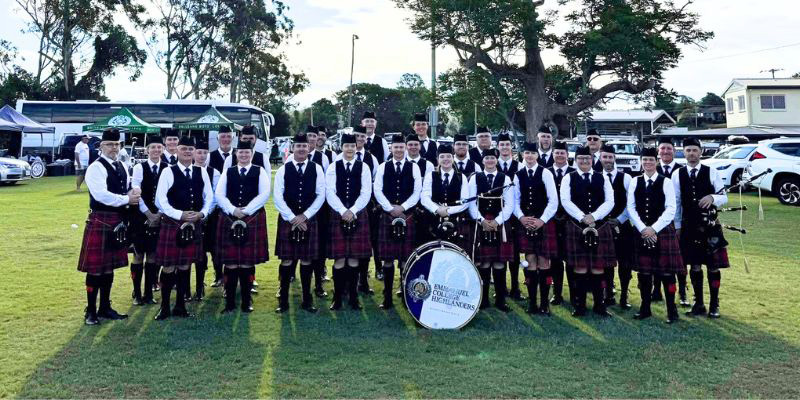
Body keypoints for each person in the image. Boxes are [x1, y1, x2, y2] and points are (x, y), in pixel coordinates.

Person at [77, 128, 138, 325]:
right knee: (96, 269)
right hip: (101, 220)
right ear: (101, 146)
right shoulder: (95, 167)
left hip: (117, 221)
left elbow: (127, 187)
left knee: (109, 267)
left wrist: (134, 191)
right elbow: (101, 195)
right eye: (110, 144)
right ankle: (90, 311)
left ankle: (105, 307)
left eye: (117, 144)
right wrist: (127, 199)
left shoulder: (122, 165)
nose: (114, 148)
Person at [152, 136, 214, 320]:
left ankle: (180, 305)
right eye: (184, 148)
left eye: (190, 149)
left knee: (185, 265)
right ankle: (164, 307)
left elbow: (209, 197)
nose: (187, 152)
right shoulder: (168, 171)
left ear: (194, 151)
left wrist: (202, 213)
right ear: (177, 150)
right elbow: (160, 200)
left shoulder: (201, 172)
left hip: (194, 223)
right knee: (169, 266)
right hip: (173, 224)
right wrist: (180, 215)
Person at [673, 137, 730, 319]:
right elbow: (676, 202)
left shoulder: (711, 171)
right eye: (688, 150)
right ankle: (699, 304)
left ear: (701, 151)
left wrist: (713, 198)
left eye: (695, 150)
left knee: (713, 266)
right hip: (689, 226)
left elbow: (724, 196)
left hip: (710, 226)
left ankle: (714, 305)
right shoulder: (677, 174)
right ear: (684, 152)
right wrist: (678, 226)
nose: (691, 153)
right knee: (695, 265)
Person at [627, 146, 684, 323]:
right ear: (641, 162)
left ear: (657, 162)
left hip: (663, 231)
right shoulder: (635, 181)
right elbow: (631, 208)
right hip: (642, 232)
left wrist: (654, 229)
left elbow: (671, 208)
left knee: (667, 274)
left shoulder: (666, 182)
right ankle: (645, 308)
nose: (647, 163)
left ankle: (672, 310)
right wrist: (643, 228)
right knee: (644, 273)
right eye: (644, 160)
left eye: (651, 160)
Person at [214, 140, 271, 313]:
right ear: (236, 154)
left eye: (247, 152)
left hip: (252, 219)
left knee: (247, 263)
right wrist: (233, 209)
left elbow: (264, 193)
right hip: (230, 219)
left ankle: (246, 302)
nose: (244, 155)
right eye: (241, 152)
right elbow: (219, 194)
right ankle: (230, 303)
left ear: (251, 154)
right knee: (230, 263)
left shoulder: (260, 171)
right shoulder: (228, 171)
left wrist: (247, 210)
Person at [560, 146, 616, 317]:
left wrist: (595, 216)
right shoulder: (568, 177)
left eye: (587, 158)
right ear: (575, 160)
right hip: (577, 226)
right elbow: (565, 200)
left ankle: (600, 305)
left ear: (592, 160)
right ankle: (580, 306)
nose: (584, 161)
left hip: (599, 226)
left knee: (599, 267)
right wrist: (582, 217)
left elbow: (610, 201)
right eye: (581, 158)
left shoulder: (602, 177)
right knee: (580, 267)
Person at [273, 133, 326, 313]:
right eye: (298, 146)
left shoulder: (317, 168)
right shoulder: (283, 169)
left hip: (308, 219)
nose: (302, 149)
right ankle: (283, 300)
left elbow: (321, 195)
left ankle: (307, 299)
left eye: (304, 146)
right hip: (288, 220)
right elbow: (278, 196)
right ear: (292, 148)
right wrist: (292, 218)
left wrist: (305, 216)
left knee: (307, 260)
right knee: (287, 260)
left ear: (308, 148)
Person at [373, 134, 422, 309]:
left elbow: (417, 191)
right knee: (387, 260)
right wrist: (390, 208)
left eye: (402, 147)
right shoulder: (383, 167)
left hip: (407, 215)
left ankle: (405, 295)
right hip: (388, 216)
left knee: (405, 259)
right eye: (396, 147)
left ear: (405, 148)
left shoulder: (414, 167)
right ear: (391, 148)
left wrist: (403, 207)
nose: (399, 150)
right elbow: (377, 190)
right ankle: (387, 297)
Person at [325, 134, 373, 310]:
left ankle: (354, 297)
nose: (350, 149)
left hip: (358, 215)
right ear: (342, 147)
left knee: (353, 258)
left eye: (352, 146)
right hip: (338, 214)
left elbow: (366, 192)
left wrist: (352, 211)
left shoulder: (364, 167)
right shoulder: (333, 166)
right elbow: (329, 191)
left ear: (356, 147)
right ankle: (337, 298)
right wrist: (342, 210)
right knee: (339, 259)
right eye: (347, 146)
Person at [513, 142, 559, 315]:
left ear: (537, 155)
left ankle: (544, 304)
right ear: (523, 155)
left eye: (533, 153)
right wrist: (521, 218)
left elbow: (553, 201)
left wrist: (542, 220)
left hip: (543, 223)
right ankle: (532, 303)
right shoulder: (518, 175)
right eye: (527, 153)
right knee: (530, 261)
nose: (530, 156)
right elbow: (515, 200)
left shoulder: (546, 173)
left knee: (544, 262)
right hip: (526, 223)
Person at [468, 148, 515, 312]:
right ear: (483, 160)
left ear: (497, 160)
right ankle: (483, 299)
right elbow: (471, 203)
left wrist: (497, 221)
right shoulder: (475, 178)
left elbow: (509, 204)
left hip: (499, 223)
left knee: (500, 262)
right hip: (481, 223)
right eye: (487, 158)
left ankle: (501, 300)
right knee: (484, 262)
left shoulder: (505, 178)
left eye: (492, 158)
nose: (490, 161)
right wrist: (481, 220)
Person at [129, 136, 168, 306]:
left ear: (163, 149)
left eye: (159, 147)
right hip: (140, 217)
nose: (156, 150)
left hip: (160, 216)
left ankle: (148, 293)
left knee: (152, 255)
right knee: (138, 255)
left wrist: (159, 213)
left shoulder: (168, 168)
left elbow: (167, 193)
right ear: (147, 150)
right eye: (153, 147)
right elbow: (136, 191)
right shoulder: (139, 167)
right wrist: (148, 214)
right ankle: (137, 294)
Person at [599, 144, 634, 310]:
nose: (607, 160)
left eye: (610, 157)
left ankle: (624, 295)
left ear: (615, 158)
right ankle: (608, 294)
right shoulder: (596, 177)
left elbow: (631, 203)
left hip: (623, 226)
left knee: (625, 263)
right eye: (604, 157)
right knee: (607, 262)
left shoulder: (626, 178)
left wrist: (620, 219)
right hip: (603, 226)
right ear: (600, 158)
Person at [655, 136, 688, 305]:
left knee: (680, 258)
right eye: (663, 148)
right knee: (656, 256)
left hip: (678, 222)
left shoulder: (682, 170)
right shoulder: (652, 168)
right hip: (657, 222)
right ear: (658, 151)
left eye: (669, 148)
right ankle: (656, 290)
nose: (666, 151)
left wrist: (679, 223)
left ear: (674, 151)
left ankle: (682, 291)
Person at [420, 144, 470, 251]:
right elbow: (424, 198)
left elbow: (465, 202)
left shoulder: (462, 177)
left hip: (456, 221)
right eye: (442, 157)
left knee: (455, 252)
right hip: (432, 221)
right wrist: (437, 209)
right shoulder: (430, 176)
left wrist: (447, 211)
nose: (445, 159)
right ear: (437, 159)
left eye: (448, 156)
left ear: (453, 158)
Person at [548, 141, 576, 306]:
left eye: (562, 153)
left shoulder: (574, 173)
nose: (559, 155)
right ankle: (557, 294)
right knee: (555, 261)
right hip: (552, 222)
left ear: (567, 155)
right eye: (557, 152)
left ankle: (574, 295)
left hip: (571, 222)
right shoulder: (546, 172)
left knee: (571, 261)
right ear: (553, 154)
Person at [496, 132, 524, 300]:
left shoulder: (519, 166)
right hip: (498, 215)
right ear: (497, 147)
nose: (505, 147)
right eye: (502, 144)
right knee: (499, 253)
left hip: (515, 216)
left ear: (511, 146)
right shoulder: (492, 164)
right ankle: (501, 289)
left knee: (514, 254)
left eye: (507, 144)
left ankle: (515, 287)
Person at [192, 139, 220, 301]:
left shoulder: (214, 172)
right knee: (195, 253)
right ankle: (196, 286)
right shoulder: (187, 170)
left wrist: (204, 213)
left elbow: (215, 196)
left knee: (213, 249)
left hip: (211, 217)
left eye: (205, 153)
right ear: (194, 153)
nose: (202, 156)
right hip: (191, 217)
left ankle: (217, 277)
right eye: (199, 152)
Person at [208, 127, 233, 287]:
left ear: (232, 138)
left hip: (233, 207)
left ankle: (232, 278)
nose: (225, 139)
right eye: (223, 136)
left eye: (228, 136)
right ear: (218, 138)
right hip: (215, 209)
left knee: (232, 243)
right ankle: (218, 276)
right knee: (215, 245)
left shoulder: (239, 154)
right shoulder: (210, 156)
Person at [405, 134, 435, 245]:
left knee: (423, 241)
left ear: (420, 146)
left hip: (423, 209)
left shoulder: (428, 165)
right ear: (406, 146)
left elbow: (429, 188)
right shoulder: (400, 163)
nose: (413, 147)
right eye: (410, 144)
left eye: (416, 144)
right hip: (405, 208)